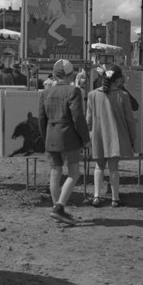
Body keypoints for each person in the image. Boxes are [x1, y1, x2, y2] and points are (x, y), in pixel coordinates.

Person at [38, 59, 90, 225]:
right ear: (71, 74)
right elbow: (78, 118)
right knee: (74, 173)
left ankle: (56, 207)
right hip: (69, 137)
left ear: (54, 74)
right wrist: (85, 139)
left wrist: (45, 136)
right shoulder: (73, 91)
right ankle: (59, 207)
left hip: (51, 136)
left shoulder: (45, 93)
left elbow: (41, 119)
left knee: (55, 172)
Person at [86, 64, 136, 208]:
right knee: (114, 167)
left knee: (98, 166)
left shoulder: (92, 95)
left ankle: (96, 196)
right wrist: (133, 137)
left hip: (98, 135)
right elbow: (129, 119)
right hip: (116, 136)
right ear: (118, 80)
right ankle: (115, 198)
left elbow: (88, 120)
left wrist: (89, 136)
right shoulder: (123, 95)